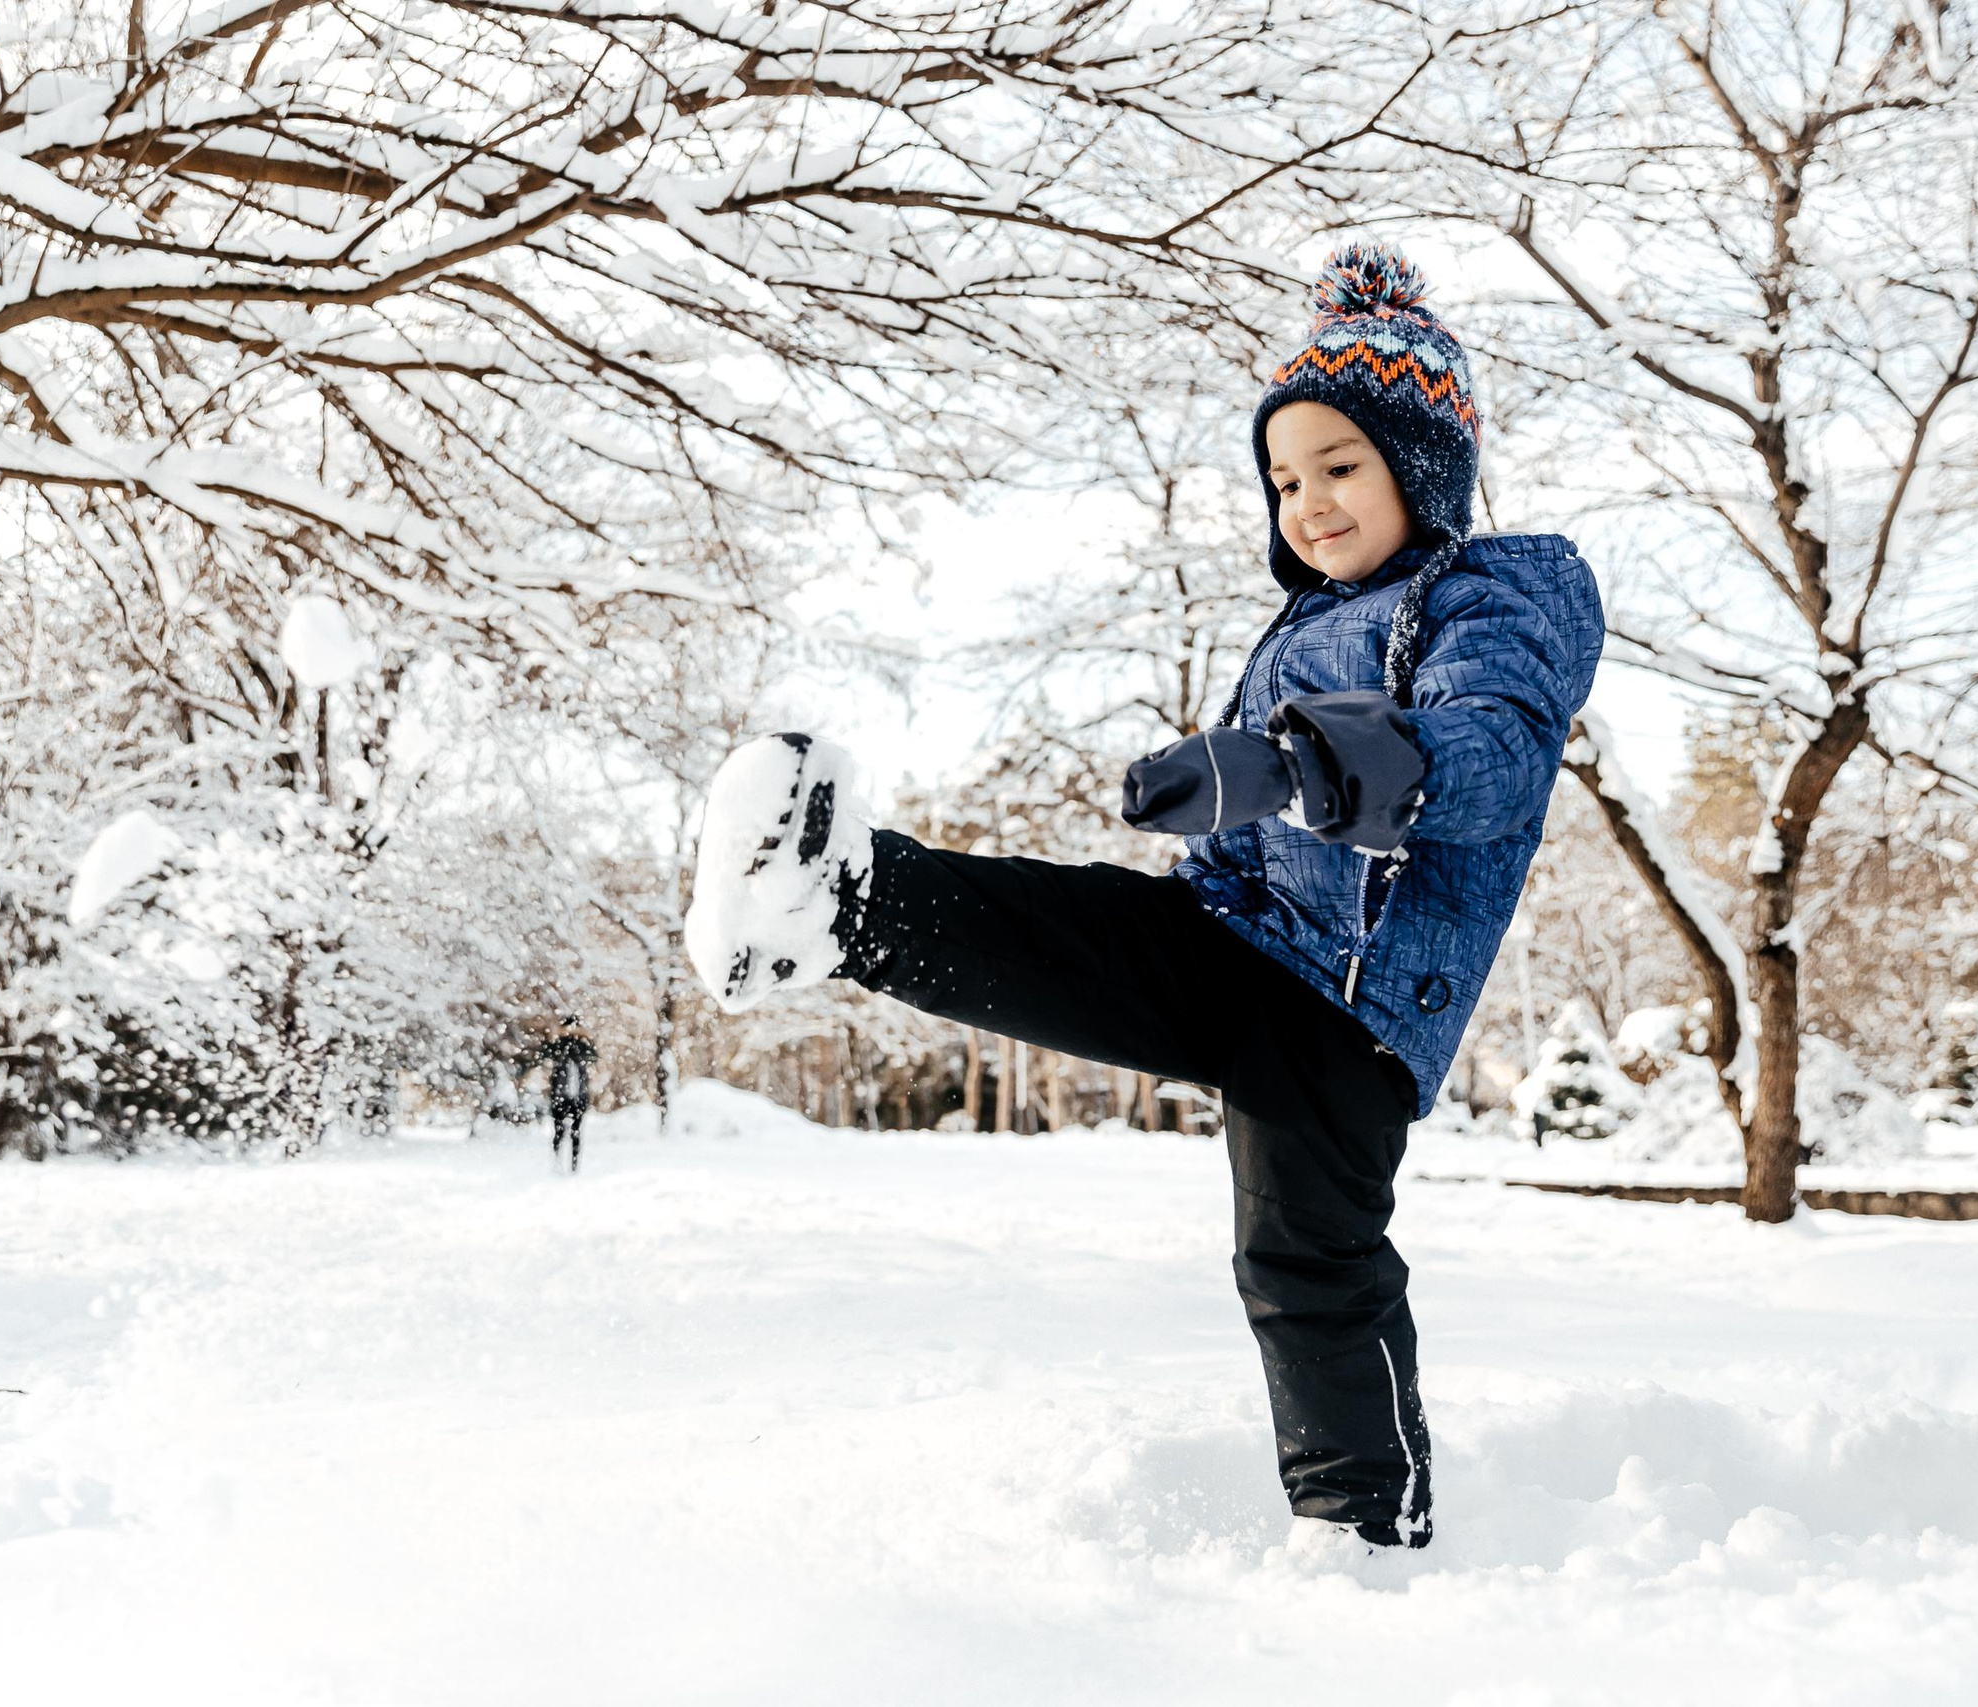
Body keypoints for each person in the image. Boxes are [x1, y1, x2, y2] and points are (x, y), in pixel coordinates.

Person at [681, 242, 1604, 1556]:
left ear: (1425, 466)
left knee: (1304, 1258)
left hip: (1347, 1001)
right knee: (1064, 930)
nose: (1311, 503)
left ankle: (1367, 1534)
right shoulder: (1296, 626)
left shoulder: (1500, 587)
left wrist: (1290, 764)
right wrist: (1225, 787)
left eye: (1343, 466)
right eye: (1287, 478)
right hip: (1232, 935)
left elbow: (1490, 747)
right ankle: (836, 901)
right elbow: (1260, 815)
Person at [539, 1017, 596, 1173]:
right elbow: (544, 1053)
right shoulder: (560, 1046)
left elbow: (593, 1055)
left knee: (574, 1133)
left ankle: (573, 1165)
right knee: (560, 1132)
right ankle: (558, 1162)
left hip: (576, 1096)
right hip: (562, 1096)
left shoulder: (582, 1047)